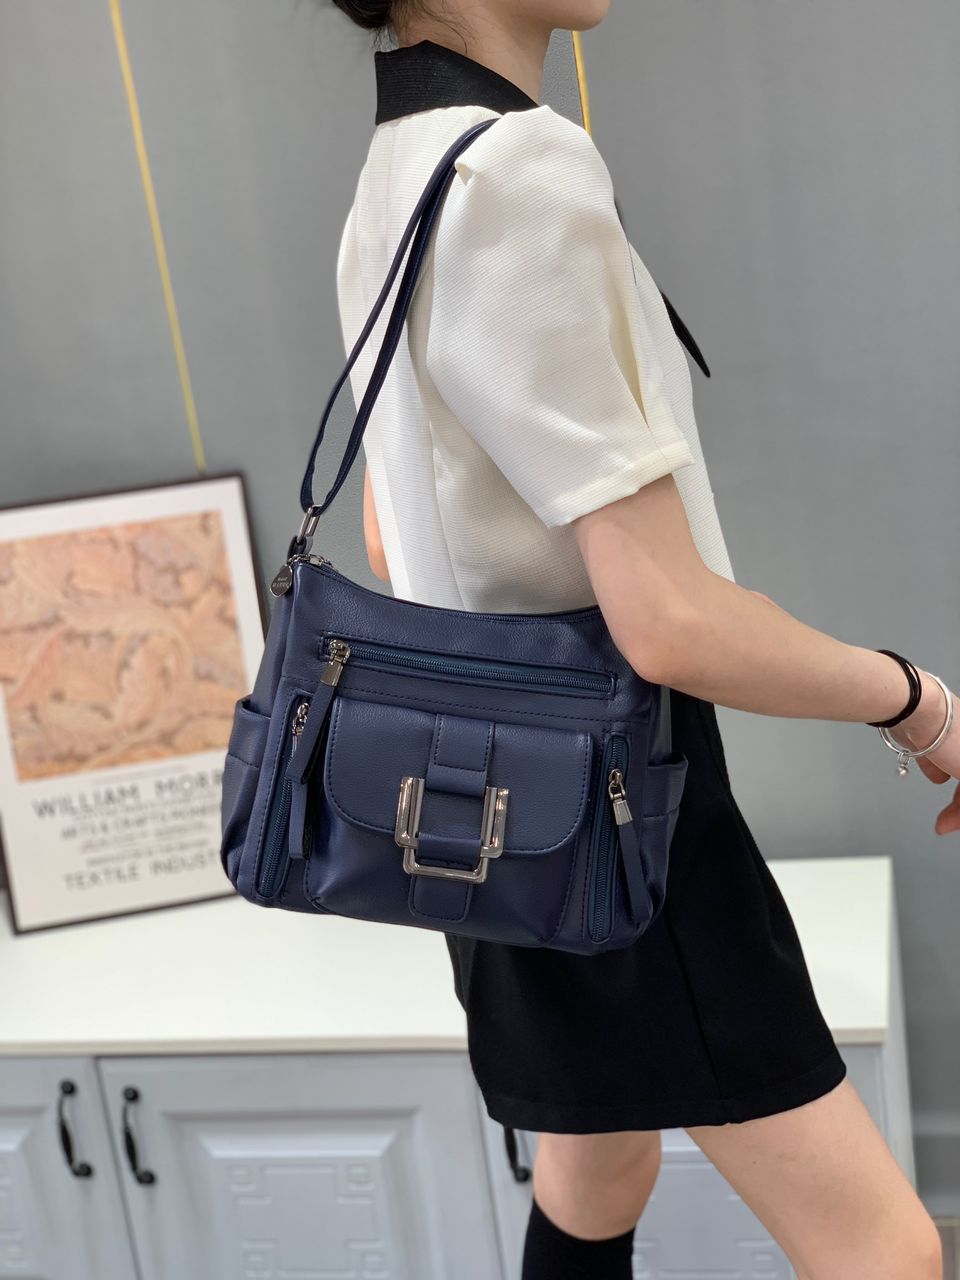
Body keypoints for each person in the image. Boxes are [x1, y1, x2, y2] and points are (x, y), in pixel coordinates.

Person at [329, 3, 955, 1277]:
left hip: (477, 806)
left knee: (596, 1168)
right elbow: (668, 620)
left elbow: (396, 535)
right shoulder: (518, 168)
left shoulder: (399, 165)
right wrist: (917, 700)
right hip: (619, 805)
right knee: (880, 1247)